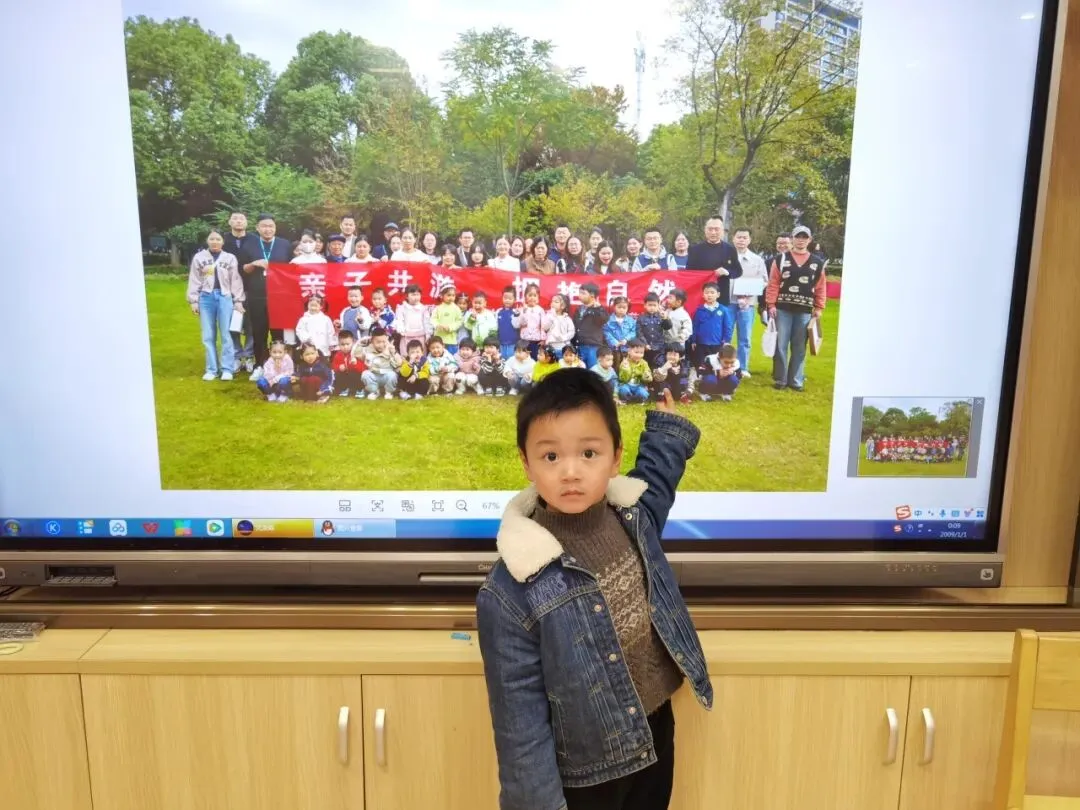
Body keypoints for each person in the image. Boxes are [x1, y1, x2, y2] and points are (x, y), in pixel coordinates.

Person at [476, 369, 712, 810]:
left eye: (589, 453)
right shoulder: (511, 589)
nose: (570, 472)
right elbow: (519, 726)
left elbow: (657, 481)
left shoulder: (633, 518)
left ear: (615, 457)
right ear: (526, 462)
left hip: (655, 733)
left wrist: (667, 431)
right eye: (551, 456)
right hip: (587, 771)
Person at [764, 225, 827, 392]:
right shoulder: (781, 259)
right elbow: (773, 283)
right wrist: (771, 304)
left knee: (799, 346)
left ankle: (796, 380)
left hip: (805, 309)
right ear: (792, 239)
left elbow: (821, 286)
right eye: (798, 236)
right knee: (781, 344)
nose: (801, 240)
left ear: (809, 240)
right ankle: (781, 379)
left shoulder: (817, 262)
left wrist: (819, 307)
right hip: (782, 308)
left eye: (804, 237)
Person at [187, 229, 245, 381]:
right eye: (212, 239)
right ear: (207, 240)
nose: (215, 242)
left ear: (223, 241)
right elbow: (194, 279)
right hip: (206, 297)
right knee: (208, 335)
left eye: (218, 239)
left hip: (225, 297)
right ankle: (211, 369)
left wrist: (238, 300)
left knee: (226, 334)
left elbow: (235, 280)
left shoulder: (229, 258)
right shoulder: (199, 257)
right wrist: (194, 300)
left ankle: (227, 369)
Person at [239, 214, 292, 376]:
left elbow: (292, 269)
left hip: (279, 295)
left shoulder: (284, 244)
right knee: (258, 332)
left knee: (278, 332)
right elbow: (242, 269)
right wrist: (253, 264)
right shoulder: (249, 244)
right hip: (257, 295)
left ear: (275, 228)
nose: (267, 229)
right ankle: (259, 365)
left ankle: (279, 365)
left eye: (271, 226)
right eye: (264, 226)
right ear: (257, 228)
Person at [685, 217, 742, 329]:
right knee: (700, 326)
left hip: (721, 295)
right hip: (700, 295)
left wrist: (727, 272)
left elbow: (738, 271)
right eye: (710, 229)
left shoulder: (730, 249)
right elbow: (689, 273)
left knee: (719, 327)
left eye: (716, 229)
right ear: (705, 230)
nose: (713, 232)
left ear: (722, 231)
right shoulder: (695, 249)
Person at [731, 227, 768, 376]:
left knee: (745, 337)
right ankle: (723, 365)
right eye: (739, 237)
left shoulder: (757, 260)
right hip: (728, 302)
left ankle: (743, 367)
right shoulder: (726, 257)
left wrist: (750, 291)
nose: (741, 240)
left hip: (747, 303)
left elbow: (764, 280)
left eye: (744, 237)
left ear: (749, 240)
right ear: (733, 238)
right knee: (726, 336)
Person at [225, 212, 256, 373]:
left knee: (251, 324)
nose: (238, 221)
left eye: (242, 219)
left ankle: (249, 355)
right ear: (229, 222)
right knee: (233, 324)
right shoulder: (224, 240)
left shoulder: (254, 240)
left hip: (251, 287)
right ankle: (237, 355)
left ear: (246, 222)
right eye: (235, 218)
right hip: (228, 289)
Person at [690, 281, 732, 366]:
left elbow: (727, 326)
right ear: (703, 295)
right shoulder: (699, 310)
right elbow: (695, 326)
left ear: (718, 294)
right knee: (701, 364)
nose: (709, 295)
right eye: (706, 293)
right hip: (701, 343)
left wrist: (726, 340)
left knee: (716, 364)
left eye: (712, 293)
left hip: (717, 343)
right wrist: (693, 340)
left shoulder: (723, 310)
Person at [572, 283, 608, 369]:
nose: (580, 295)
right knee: (580, 371)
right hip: (579, 345)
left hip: (593, 346)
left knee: (593, 370)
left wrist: (598, 308)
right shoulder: (579, 309)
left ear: (592, 296)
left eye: (583, 293)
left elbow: (604, 319)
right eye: (579, 292)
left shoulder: (599, 309)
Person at [358, 328, 401, 400]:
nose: (381, 345)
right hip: (374, 374)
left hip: (386, 375)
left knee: (393, 375)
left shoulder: (390, 349)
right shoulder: (368, 349)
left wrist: (394, 352)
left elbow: (399, 363)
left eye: (383, 341)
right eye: (378, 342)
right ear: (372, 341)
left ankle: (389, 392)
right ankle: (374, 391)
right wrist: (363, 341)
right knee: (365, 374)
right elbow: (357, 354)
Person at [394, 283, 432, 356]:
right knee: (406, 356)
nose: (416, 297)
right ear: (407, 296)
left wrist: (428, 335)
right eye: (413, 295)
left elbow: (427, 322)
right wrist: (401, 330)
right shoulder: (402, 308)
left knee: (420, 357)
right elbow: (399, 320)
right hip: (406, 336)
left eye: (418, 295)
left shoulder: (423, 309)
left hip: (420, 336)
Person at [331, 331, 365, 398]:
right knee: (338, 374)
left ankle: (359, 389)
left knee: (355, 374)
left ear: (353, 343)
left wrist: (356, 364)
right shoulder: (338, 355)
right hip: (345, 376)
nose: (345, 347)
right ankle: (344, 389)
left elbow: (363, 368)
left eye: (347, 344)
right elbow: (333, 367)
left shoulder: (357, 353)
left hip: (355, 376)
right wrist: (339, 367)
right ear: (339, 344)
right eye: (342, 344)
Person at [604, 296, 637, 363]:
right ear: (614, 307)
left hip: (627, 348)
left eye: (624, 308)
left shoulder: (631, 320)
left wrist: (626, 339)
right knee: (614, 365)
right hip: (613, 349)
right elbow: (606, 332)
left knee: (626, 366)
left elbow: (633, 332)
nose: (621, 310)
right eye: (619, 307)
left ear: (627, 308)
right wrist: (614, 342)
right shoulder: (608, 320)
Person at [518, 284, 546, 359]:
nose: (532, 298)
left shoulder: (540, 310)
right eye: (530, 295)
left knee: (535, 358)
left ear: (538, 297)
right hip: (524, 340)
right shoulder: (522, 309)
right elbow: (521, 323)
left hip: (536, 341)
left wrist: (543, 339)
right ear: (525, 297)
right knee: (524, 358)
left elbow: (543, 325)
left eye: (534, 295)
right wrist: (524, 312)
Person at [543, 293, 575, 358]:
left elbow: (572, 332)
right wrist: (552, 318)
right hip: (550, 347)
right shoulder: (548, 316)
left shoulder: (567, 318)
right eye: (552, 301)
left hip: (563, 348)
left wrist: (563, 337)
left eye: (556, 302)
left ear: (563, 306)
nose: (553, 303)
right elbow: (545, 328)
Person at [662, 289, 692, 356]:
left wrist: (680, 338)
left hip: (678, 344)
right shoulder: (667, 311)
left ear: (678, 302)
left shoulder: (684, 315)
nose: (667, 300)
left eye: (670, 298)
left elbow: (687, 330)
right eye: (668, 297)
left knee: (676, 359)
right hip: (665, 343)